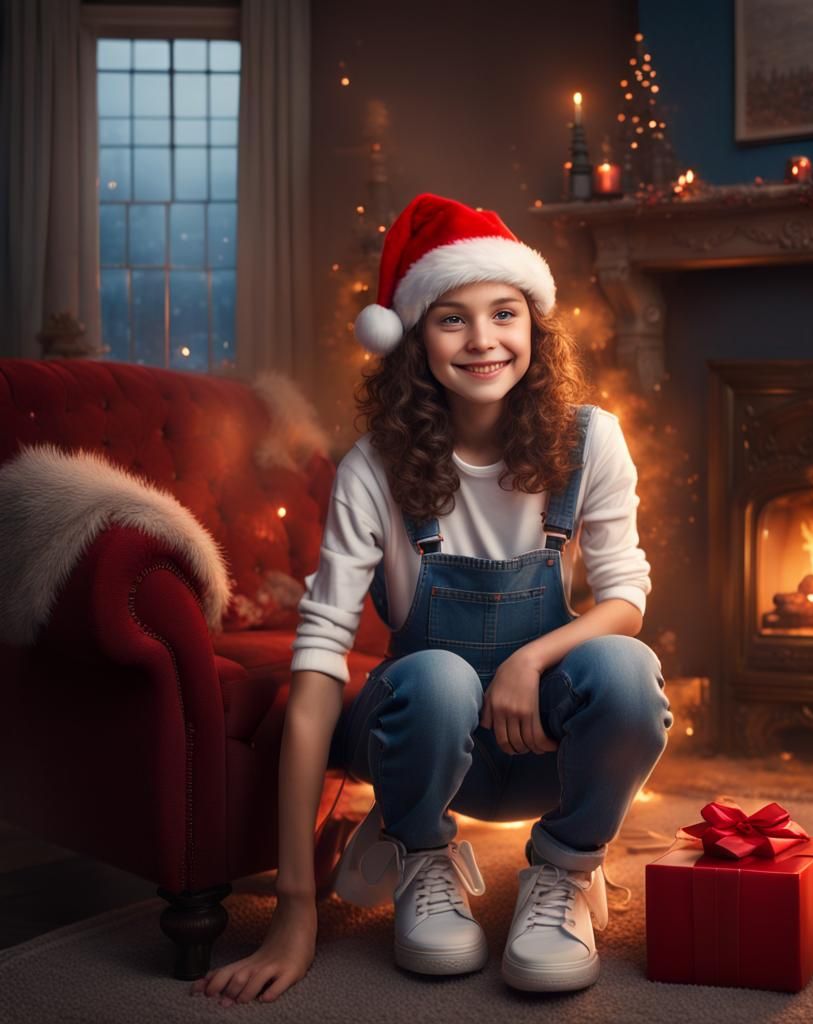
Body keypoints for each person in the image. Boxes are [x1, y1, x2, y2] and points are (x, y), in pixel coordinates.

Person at [190, 193, 671, 1005]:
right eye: (453, 319)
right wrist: (295, 912)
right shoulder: (372, 469)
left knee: (628, 670)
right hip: (421, 752)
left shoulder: (592, 440)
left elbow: (626, 597)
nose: (483, 340)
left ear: (534, 327)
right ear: (414, 340)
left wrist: (533, 657)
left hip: (543, 749)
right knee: (438, 676)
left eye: (504, 314)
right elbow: (316, 669)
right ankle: (423, 858)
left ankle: (561, 871)